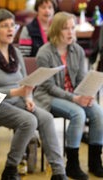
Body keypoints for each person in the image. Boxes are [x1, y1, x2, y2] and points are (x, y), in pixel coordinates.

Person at [0, 9, 67, 180]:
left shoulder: (15, 51)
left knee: (46, 118)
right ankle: (10, 168)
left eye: (12, 25)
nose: (10, 29)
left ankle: (58, 172)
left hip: (15, 98)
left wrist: (27, 97)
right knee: (29, 121)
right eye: (5, 26)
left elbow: (24, 80)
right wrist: (17, 92)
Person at [34, 12, 103, 179]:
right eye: (66, 28)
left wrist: (88, 93)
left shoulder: (77, 50)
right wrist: (75, 98)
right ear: (56, 30)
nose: (71, 32)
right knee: (78, 113)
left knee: (99, 113)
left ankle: (95, 162)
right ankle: (72, 163)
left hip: (74, 95)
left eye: (73, 28)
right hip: (49, 96)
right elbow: (48, 86)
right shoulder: (45, 52)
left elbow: (81, 79)